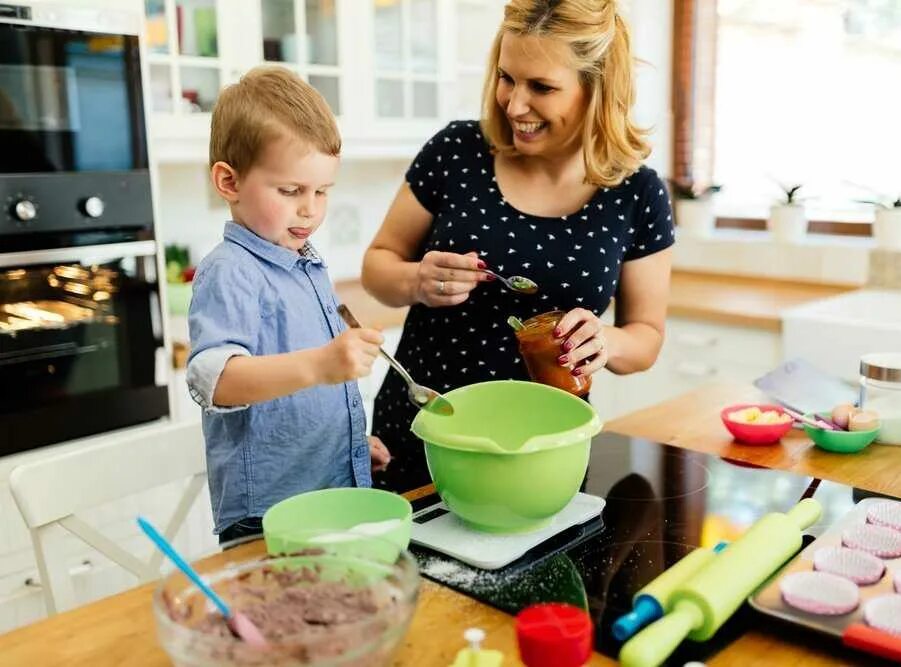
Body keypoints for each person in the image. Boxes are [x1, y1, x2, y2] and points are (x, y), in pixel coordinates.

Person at [361, 0, 674, 492]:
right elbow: (377, 266)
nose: (514, 104)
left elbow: (646, 336)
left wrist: (605, 340)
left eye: (542, 87)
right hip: (420, 435)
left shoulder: (637, 193)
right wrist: (416, 280)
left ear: (597, 90)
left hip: (545, 452)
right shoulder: (456, 151)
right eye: (507, 78)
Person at [186, 67, 391, 545]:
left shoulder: (303, 264)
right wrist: (322, 364)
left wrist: (349, 446)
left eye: (322, 192)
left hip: (326, 501)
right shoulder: (231, 270)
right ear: (228, 181)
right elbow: (217, 381)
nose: (311, 210)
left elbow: (300, 402)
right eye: (291, 191)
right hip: (269, 520)